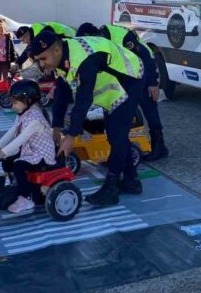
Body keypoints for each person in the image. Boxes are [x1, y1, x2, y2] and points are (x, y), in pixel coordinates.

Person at [31, 30, 144, 206]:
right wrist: (56, 127)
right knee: (116, 135)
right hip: (112, 85)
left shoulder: (84, 60)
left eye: (43, 59)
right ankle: (131, 180)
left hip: (130, 80)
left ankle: (111, 189)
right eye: (38, 60)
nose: (41, 64)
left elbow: (83, 100)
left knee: (117, 135)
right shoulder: (63, 59)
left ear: (56, 51)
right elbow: (61, 92)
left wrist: (71, 136)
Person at [77, 22, 169, 161]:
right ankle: (122, 148)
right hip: (127, 77)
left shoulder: (122, 38)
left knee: (150, 110)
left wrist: (153, 83)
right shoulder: (100, 42)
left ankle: (159, 146)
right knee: (123, 114)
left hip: (143, 73)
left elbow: (145, 57)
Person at [0, 79, 56, 213]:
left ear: (28, 100)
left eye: (15, 102)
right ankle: (15, 183)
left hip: (42, 154)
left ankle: (25, 198)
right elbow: (12, 132)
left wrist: (1, 153)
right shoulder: (23, 113)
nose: (13, 106)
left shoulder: (36, 118)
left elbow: (20, 139)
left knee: (18, 165)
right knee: (7, 161)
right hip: (30, 150)